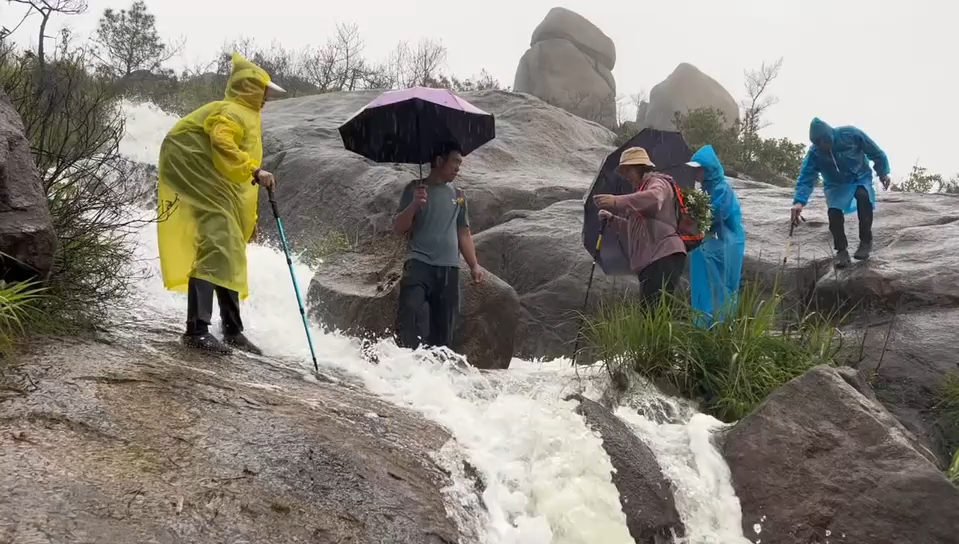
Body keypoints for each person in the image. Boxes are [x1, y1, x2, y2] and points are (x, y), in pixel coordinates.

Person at [156, 52, 287, 355]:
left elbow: (238, 184)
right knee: (217, 244)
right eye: (263, 92)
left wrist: (248, 221)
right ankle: (196, 330)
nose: (266, 99)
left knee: (229, 247)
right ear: (248, 88)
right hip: (193, 171)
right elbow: (221, 141)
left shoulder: (250, 117)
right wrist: (256, 170)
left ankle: (232, 330)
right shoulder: (231, 111)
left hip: (213, 182)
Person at [392, 141, 485, 351]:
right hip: (418, 264)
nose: (458, 167)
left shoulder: (459, 196)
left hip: (449, 269)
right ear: (440, 160)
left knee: (444, 332)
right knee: (410, 312)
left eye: (460, 163)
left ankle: (435, 374)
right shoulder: (415, 189)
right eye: (454, 161)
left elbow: (464, 232)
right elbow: (399, 228)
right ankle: (403, 363)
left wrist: (474, 265)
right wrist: (415, 204)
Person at [790, 117, 891, 268]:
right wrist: (799, 202)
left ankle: (865, 241)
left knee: (863, 197)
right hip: (835, 184)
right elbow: (806, 177)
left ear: (830, 133)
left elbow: (875, 152)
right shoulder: (815, 153)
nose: (823, 145)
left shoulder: (851, 134)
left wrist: (882, 173)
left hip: (859, 177)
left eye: (825, 140)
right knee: (834, 212)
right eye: (818, 143)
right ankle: (841, 251)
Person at [593, 147, 687, 304]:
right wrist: (612, 219)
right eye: (622, 172)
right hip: (651, 259)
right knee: (648, 311)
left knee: (653, 311)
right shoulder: (640, 191)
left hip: (663, 255)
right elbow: (637, 228)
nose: (625, 176)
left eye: (627, 171)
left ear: (640, 167)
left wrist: (617, 201)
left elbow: (655, 198)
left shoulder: (657, 182)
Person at [686, 145, 746, 324]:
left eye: (698, 170)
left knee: (722, 285)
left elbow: (718, 214)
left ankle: (719, 324)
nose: (695, 174)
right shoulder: (706, 189)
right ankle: (703, 322)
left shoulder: (722, 188)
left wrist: (696, 219)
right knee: (705, 281)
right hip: (712, 243)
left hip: (726, 244)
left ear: (708, 169)